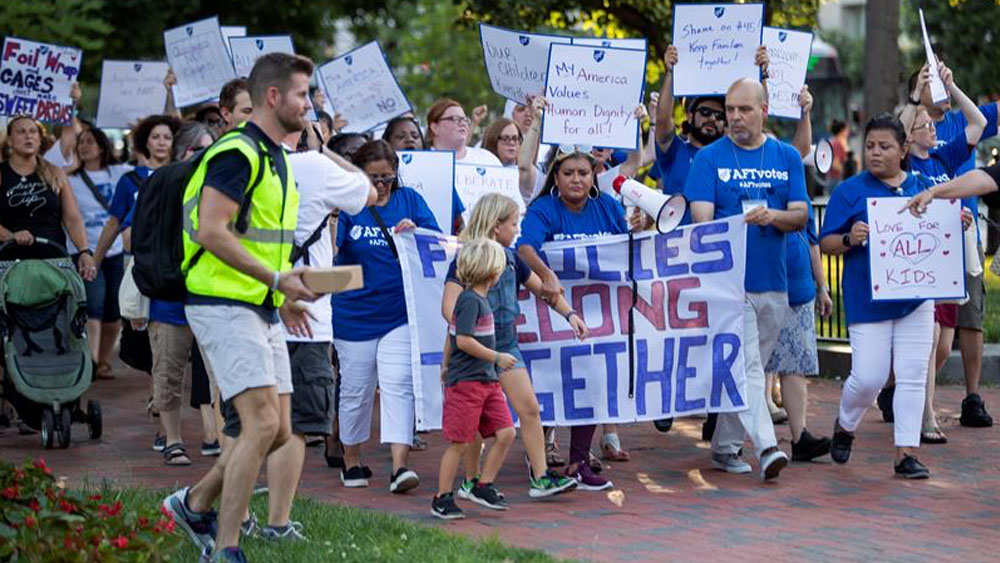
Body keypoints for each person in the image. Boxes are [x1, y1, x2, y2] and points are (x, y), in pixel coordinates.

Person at [162, 52, 318, 563]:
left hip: (260, 304)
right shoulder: (239, 153)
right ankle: (225, 548)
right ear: (274, 97)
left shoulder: (273, 156)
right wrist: (276, 280)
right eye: (302, 94)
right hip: (222, 301)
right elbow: (211, 229)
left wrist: (283, 293)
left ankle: (195, 502)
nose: (310, 104)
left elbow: (263, 240)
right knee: (261, 425)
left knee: (280, 430)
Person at [217, 123, 375, 539]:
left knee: (241, 425)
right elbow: (368, 192)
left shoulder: (235, 167)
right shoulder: (316, 166)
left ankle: (235, 518)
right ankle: (277, 522)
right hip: (308, 321)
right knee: (299, 426)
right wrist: (325, 149)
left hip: (249, 311)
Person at [683, 78, 806, 481]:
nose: (733, 117)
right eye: (730, 109)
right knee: (750, 366)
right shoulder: (708, 159)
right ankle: (768, 447)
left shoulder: (786, 156)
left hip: (774, 280)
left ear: (764, 111)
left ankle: (724, 445)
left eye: (743, 110)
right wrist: (734, 222)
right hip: (727, 283)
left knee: (751, 366)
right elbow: (700, 219)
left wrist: (772, 216)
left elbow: (800, 215)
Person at [516, 146, 647, 491]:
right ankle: (538, 459)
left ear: (593, 177)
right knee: (549, 385)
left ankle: (578, 463)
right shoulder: (543, 208)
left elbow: (623, 248)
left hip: (598, 314)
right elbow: (525, 249)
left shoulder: (606, 206)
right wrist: (547, 275)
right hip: (551, 312)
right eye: (568, 173)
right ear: (555, 178)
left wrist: (640, 228)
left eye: (583, 173)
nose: (576, 179)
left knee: (592, 381)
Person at [819, 113, 936, 479]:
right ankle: (845, 423)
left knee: (912, 374)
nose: (875, 153)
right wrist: (851, 238)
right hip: (867, 300)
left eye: (885, 147)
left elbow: (942, 225)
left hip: (915, 298)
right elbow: (826, 243)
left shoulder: (924, 185)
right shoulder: (849, 191)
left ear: (903, 150)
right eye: (870, 145)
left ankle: (906, 453)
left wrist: (954, 221)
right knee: (869, 377)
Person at [441, 194, 581, 500]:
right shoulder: (467, 259)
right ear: (495, 227)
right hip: (475, 351)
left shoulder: (512, 258)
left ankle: (541, 478)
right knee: (475, 422)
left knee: (529, 409)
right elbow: (448, 307)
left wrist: (570, 314)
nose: (517, 231)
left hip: (507, 345)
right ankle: (471, 480)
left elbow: (545, 292)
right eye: (513, 224)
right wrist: (469, 328)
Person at [332, 140, 441, 492]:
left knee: (398, 384)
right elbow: (332, 255)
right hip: (353, 315)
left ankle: (399, 467)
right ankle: (351, 461)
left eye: (388, 178)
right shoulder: (347, 207)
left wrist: (417, 233)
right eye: (373, 178)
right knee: (356, 390)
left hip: (399, 313)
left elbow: (437, 244)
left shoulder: (410, 201)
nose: (381, 186)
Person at [898, 62, 995, 429]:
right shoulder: (903, 162)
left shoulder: (943, 156)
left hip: (950, 260)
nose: (931, 128)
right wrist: (914, 99)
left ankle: (912, 395)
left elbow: (980, 124)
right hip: (916, 258)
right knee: (930, 337)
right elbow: (896, 132)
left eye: (932, 124)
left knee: (941, 346)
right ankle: (923, 415)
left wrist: (951, 88)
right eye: (923, 125)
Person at [133, 121, 218, 466]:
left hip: (212, 293)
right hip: (170, 295)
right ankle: (172, 439)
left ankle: (222, 440)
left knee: (219, 375)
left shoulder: (219, 184)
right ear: (185, 151)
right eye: (201, 149)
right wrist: (158, 277)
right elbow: (143, 235)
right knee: (167, 372)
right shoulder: (162, 181)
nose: (207, 156)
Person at [763, 87, 834, 461]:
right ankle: (762, 440)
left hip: (798, 290)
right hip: (762, 286)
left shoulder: (797, 190)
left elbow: (811, 242)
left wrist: (822, 287)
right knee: (758, 365)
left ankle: (800, 434)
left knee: (794, 366)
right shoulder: (755, 187)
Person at [432, 237, 517, 520]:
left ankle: (483, 485)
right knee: (460, 442)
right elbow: (463, 339)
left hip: (487, 382)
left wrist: (445, 362)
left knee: (506, 433)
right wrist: (496, 357)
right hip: (468, 383)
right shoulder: (469, 301)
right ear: (492, 272)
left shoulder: (478, 300)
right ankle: (442, 497)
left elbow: (451, 333)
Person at [66, 127, 132, 379]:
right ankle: (91, 362)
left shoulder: (117, 173)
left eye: (90, 142)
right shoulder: (70, 179)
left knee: (114, 310)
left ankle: (103, 360)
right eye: (81, 142)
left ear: (102, 147)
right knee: (93, 305)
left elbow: (144, 165)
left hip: (114, 251)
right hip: (84, 251)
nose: (84, 146)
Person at [0, 116, 97, 279]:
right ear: (9, 140)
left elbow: (72, 218)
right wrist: (11, 236)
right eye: (21, 132)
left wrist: (84, 251)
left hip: (53, 262)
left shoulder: (55, 172)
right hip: (10, 265)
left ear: (40, 139)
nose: (28, 136)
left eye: (33, 131)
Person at [93, 115, 181, 263]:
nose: (161, 142)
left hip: (174, 258)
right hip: (137, 260)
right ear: (145, 142)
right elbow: (114, 222)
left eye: (167, 137)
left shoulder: (182, 175)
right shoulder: (129, 180)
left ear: (174, 142)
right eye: (155, 137)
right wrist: (95, 260)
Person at [481, 116, 538, 202]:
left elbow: (524, 168)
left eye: (515, 138)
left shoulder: (527, 172)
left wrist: (537, 120)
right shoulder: (481, 170)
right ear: (493, 141)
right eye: (505, 138)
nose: (511, 142)